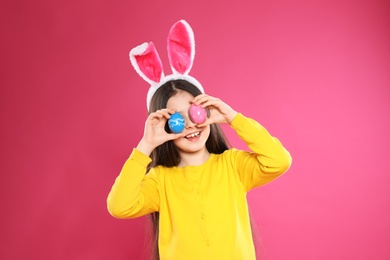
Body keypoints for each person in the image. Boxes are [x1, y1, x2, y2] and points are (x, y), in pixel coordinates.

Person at [107, 20, 292, 260]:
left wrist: (233, 118)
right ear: (165, 126)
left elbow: (279, 161)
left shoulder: (232, 166)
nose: (191, 125)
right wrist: (146, 144)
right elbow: (119, 206)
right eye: (177, 120)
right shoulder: (160, 180)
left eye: (194, 112)